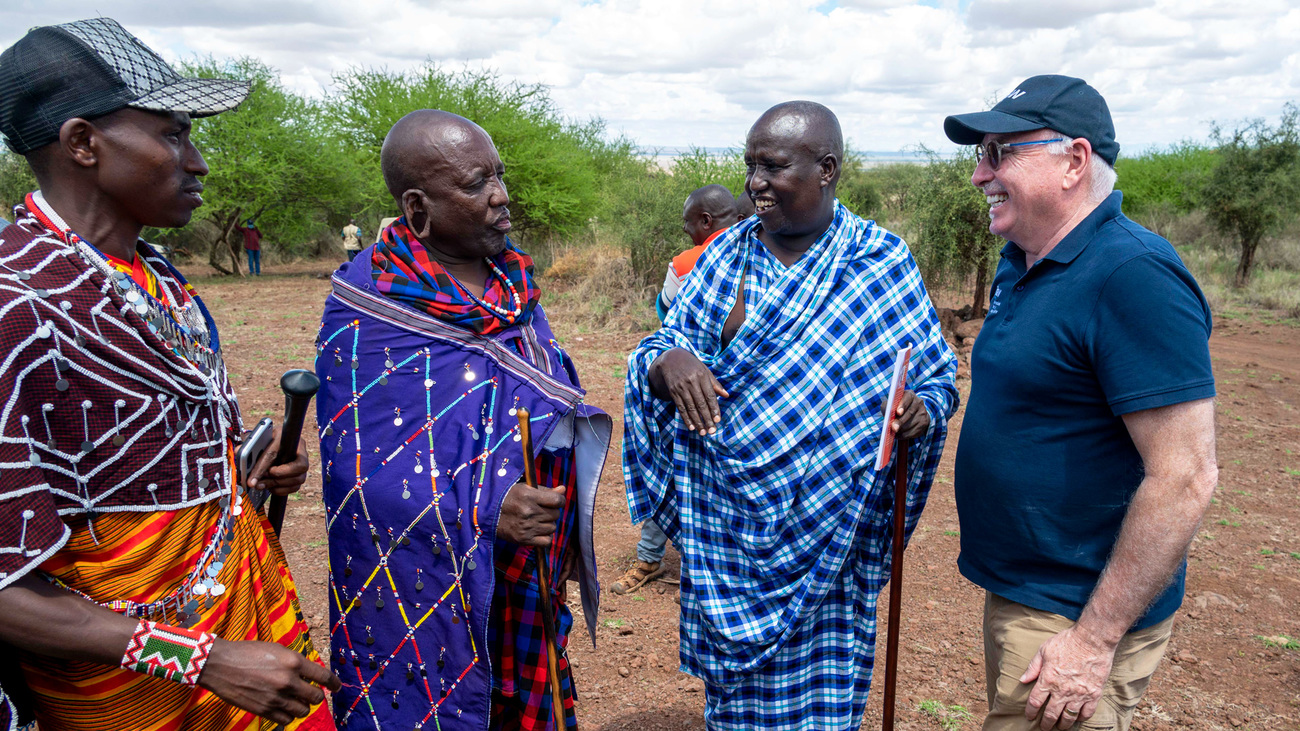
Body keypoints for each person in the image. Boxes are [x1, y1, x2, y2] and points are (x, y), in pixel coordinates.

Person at [0, 17, 339, 731]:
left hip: (229, 623)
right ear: (84, 144)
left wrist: (242, 471)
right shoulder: (14, 308)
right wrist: (203, 657)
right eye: (173, 133)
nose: (199, 162)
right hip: (128, 693)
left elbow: (123, 468)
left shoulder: (152, 278)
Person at [623, 101, 958, 730]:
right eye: (750, 166)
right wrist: (667, 360)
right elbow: (658, 350)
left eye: (773, 166)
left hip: (837, 530)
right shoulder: (725, 259)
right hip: (729, 534)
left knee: (827, 703)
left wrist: (921, 410)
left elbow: (936, 376)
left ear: (826, 168)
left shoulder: (880, 264)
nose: (755, 182)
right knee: (740, 710)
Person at [315, 109, 612, 731]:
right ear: (418, 208)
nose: (502, 196)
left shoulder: (516, 286)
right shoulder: (368, 307)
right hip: (427, 582)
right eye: (477, 184)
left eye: (499, 176)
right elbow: (359, 478)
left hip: (526, 570)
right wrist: (483, 510)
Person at [944, 75, 1218, 731]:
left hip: (1072, 615)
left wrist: (1092, 641)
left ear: (1074, 160)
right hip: (1031, 597)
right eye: (978, 155)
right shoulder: (1026, 258)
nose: (981, 174)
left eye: (1000, 152)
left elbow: (1185, 475)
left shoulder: (1132, 275)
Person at [613, 185, 741, 596]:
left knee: (667, 467)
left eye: (688, 221)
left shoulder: (687, 262)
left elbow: (668, 316)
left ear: (705, 221)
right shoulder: (768, 256)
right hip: (737, 397)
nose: (685, 230)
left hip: (684, 389)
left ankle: (650, 558)